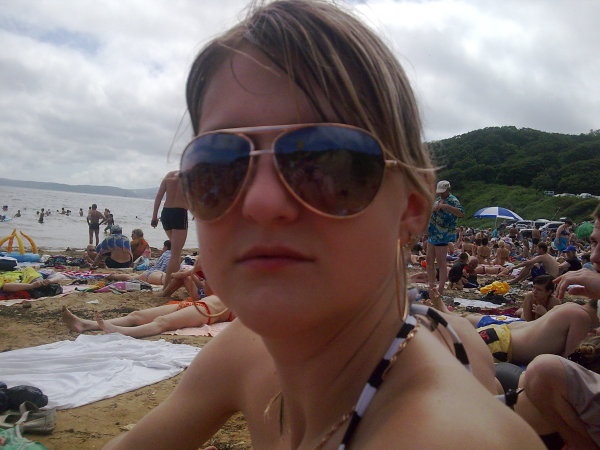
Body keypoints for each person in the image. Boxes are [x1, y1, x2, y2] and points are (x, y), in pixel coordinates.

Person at [104, 2, 541, 449]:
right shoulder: (245, 350)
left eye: (326, 163)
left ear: (412, 207)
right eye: (219, 165)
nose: (261, 202)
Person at [61, 294, 234, 339]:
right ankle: (86, 324)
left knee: (162, 322)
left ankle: (122, 331)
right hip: (194, 303)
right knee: (137, 315)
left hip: (207, 311)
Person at [426, 180, 464, 294]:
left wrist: (446, 207)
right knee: (429, 260)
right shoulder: (438, 200)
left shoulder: (453, 200)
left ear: (448, 190)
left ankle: (440, 288)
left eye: (442, 192)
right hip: (433, 232)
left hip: (443, 234)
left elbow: (461, 213)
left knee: (441, 262)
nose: (441, 194)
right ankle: (431, 285)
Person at [151, 171, 188, 287]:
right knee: (175, 254)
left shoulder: (169, 175)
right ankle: (166, 287)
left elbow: (159, 196)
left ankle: (174, 282)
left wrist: (154, 216)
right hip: (179, 213)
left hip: (166, 213)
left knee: (176, 251)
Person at [106, 240, 172, 285]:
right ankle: (114, 276)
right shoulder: (171, 256)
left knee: (135, 276)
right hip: (154, 275)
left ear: (166, 247)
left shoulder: (166, 254)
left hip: (153, 273)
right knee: (131, 278)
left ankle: (116, 275)